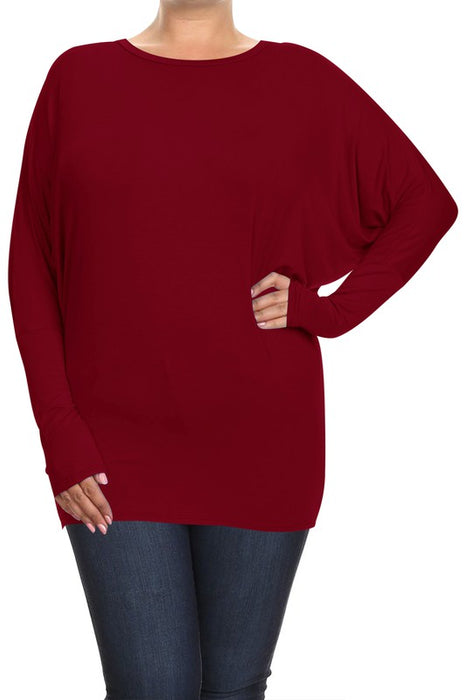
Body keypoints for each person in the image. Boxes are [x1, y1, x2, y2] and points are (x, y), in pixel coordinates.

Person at [7, 1, 458, 698]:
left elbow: (425, 203)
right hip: (112, 449)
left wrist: (328, 311)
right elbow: (31, 264)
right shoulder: (77, 78)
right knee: (152, 686)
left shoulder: (302, 79)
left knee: (233, 688)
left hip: (264, 440)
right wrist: (59, 432)